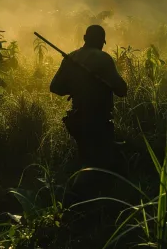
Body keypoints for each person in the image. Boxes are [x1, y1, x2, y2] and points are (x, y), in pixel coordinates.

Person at [50, 25, 128, 173]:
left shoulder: (71, 57)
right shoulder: (103, 58)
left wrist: (76, 87)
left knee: (86, 160)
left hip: (77, 120)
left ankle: (78, 190)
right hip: (98, 122)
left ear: (85, 38)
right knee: (101, 167)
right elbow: (122, 90)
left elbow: (55, 87)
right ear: (102, 42)